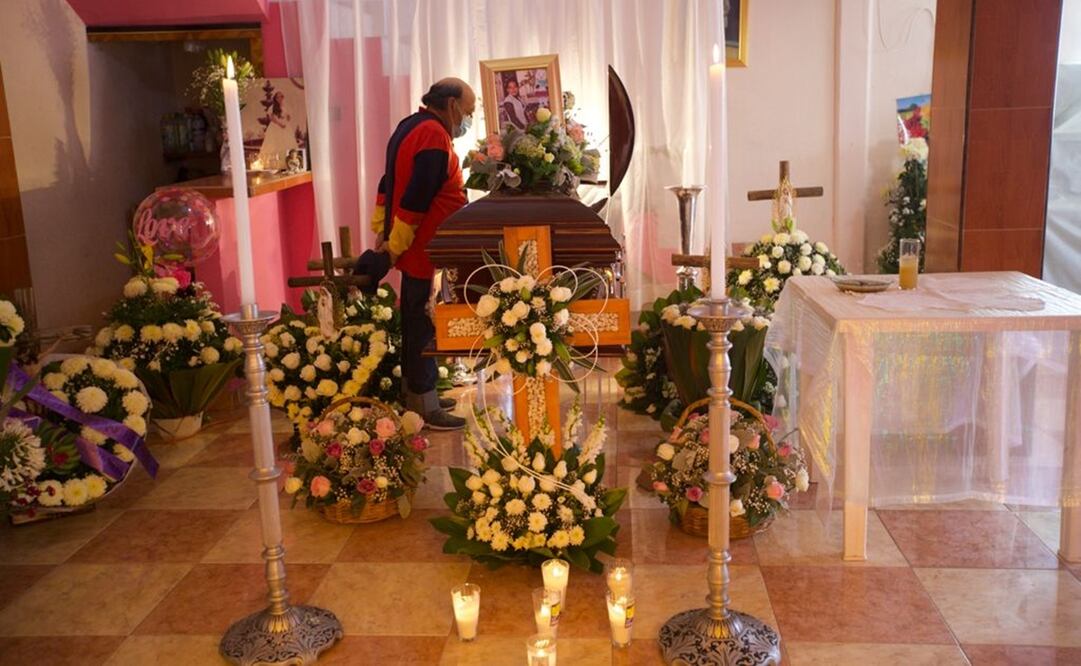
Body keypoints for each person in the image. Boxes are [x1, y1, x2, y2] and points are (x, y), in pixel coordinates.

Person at [369, 77, 475, 430]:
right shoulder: (432, 134)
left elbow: (387, 184)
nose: (467, 120)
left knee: (416, 319)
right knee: (422, 323)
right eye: (468, 112)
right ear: (451, 105)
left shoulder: (409, 125)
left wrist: (384, 233)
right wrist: (394, 245)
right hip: (424, 247)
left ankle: (416, 394)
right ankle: (424, 404)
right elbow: (417, 196)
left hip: (416, 244)